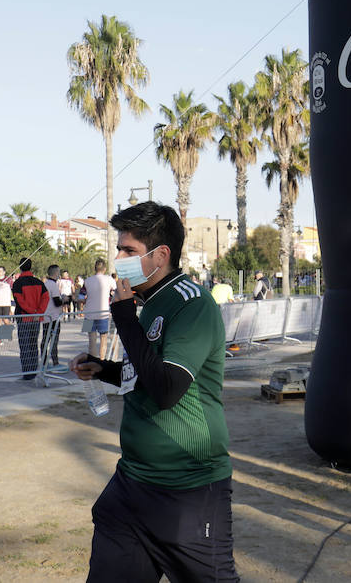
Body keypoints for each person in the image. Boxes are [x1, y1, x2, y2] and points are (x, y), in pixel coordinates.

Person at [70, 202, 237, 582]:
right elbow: (145, 372)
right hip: (132, 484)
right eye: (119, 248)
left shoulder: (192, 304)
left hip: (187, 488)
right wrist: (105, 370)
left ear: (160, 255)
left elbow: (166, 390)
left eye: (128, 250)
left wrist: (125, 319)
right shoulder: (150, 303)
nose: (118, 258)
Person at [11, 257, 50, 380]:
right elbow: (46, 298)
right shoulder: (39, 282)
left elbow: (19, 301)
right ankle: (33, 370)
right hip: (36, 319)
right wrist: (38, 312)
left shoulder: (17, 283)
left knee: (25, 346)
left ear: (20, 267)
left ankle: (27, 373)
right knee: (33, 344)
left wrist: (32, 312)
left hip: (24, 318)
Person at [82, 258, 116, 359]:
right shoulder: (110, 279)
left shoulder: (87, 281)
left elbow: (80, 297)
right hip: (103, 313)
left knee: (91, 340)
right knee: (103, 339)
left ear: (94, 268)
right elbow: (115, 293)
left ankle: (92, 362)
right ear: (104, 268)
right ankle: (101, 362)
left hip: (88, 314)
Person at [42, 264, 65, 367]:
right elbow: (57, 302)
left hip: (46, 316)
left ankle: (43, 362)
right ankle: (55, 362)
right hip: (53, 317)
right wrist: (64, 300)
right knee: (53, 340)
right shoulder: (53, 285)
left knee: (45, 340)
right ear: (56, 273)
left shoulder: (46, 284)